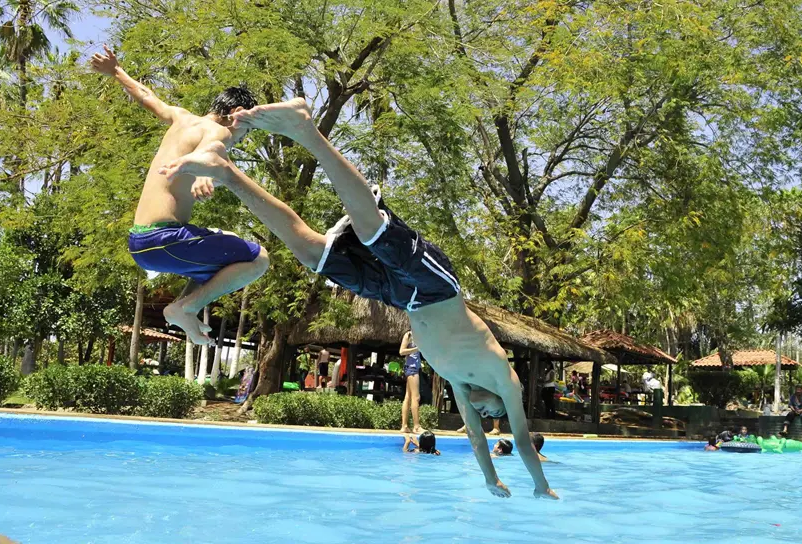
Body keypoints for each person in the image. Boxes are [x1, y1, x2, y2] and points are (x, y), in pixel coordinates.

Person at [159, 98, 556, 499]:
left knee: (313, 254)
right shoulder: (506, 382)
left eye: (490, 416)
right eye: (494, 412)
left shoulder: (459, 381)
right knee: (373, 231)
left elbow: (474, 434)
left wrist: (491, 478)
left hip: (402, 300)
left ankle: (227, 174)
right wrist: (540, 485)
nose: (489, 414)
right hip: (438, 288)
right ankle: (306, 130)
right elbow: (522, 440)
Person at [89, 46, 269, 345]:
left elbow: (147, 96)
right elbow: (213, 148)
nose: (242, 135)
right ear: (236, 115)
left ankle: (185, 306)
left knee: (222, 243)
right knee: (259, 259)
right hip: (164, 239)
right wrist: (203, 172)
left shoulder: (181, 118)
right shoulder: (220, 131)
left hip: (141, 243)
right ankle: (186, 307)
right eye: (246, 129)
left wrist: (116, 71)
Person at [400, 331, 424, 433]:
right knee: (416, 397)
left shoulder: (419, 335)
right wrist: (417, 349)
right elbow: (401, 351)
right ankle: (416, 426)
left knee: (408, 397)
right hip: (412, 369)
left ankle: (404, 426)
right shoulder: (409, 335)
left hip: (413, 368)